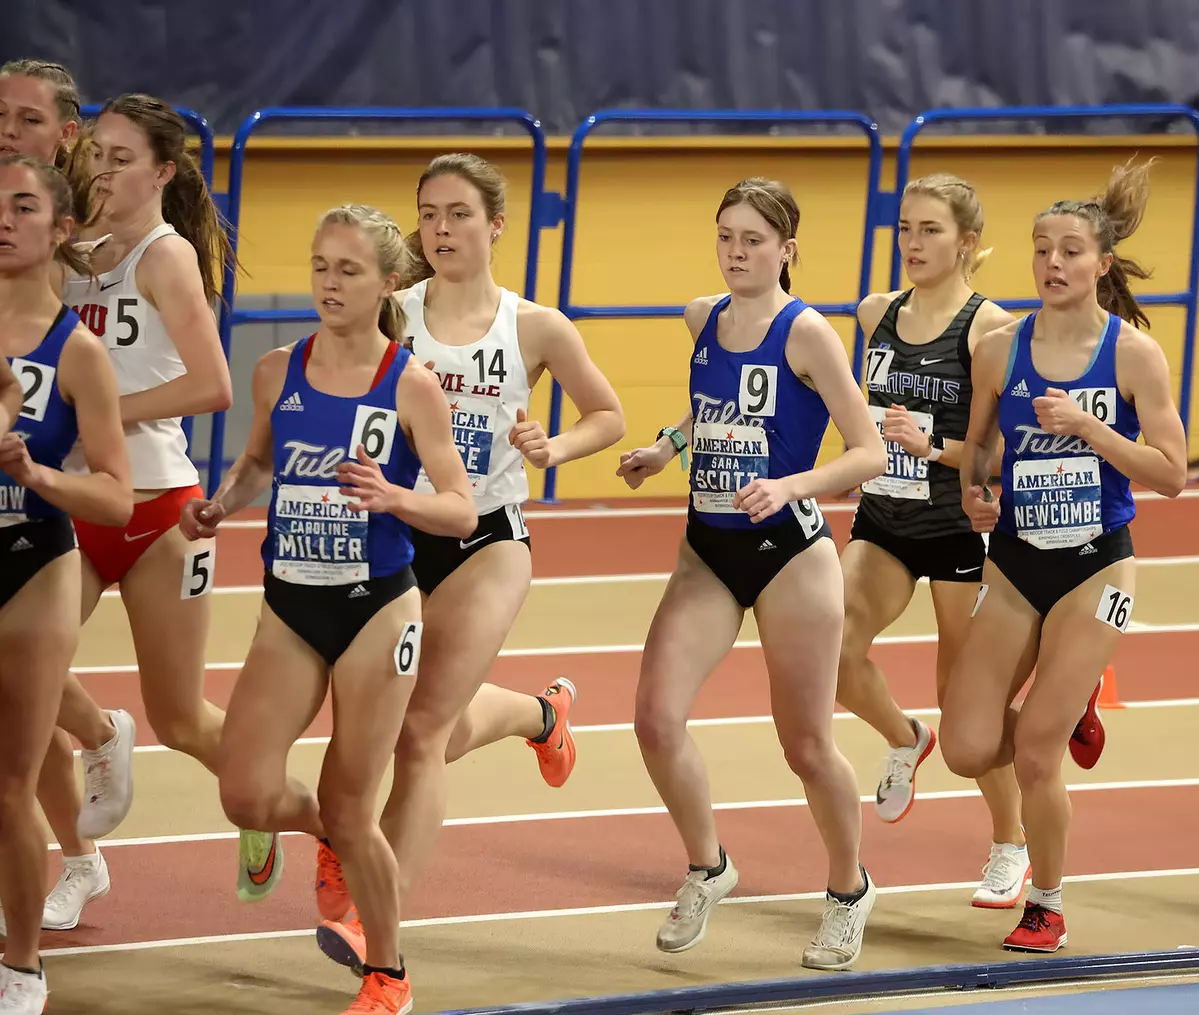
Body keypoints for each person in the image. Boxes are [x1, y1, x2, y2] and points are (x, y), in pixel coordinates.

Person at [311, 153, 625, 966]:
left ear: (496, 224)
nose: (441, 230)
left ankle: (376, 925)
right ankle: (538, 715)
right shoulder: (392, 309)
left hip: (487, 540)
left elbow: (609, 415)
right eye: (428, 214)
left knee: (419, 734)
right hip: (396, 534)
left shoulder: (535, 327)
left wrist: (552, 446)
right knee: (398, 730)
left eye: (458, 214)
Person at [182, 204, 475, 1015]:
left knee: (355, 804)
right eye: (319, 267)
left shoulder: (409, 383)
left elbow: (458, 510)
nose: (329, 283)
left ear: (387, 283)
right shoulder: (279, 370)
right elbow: (256, 464)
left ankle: (388, 973)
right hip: (290, 602)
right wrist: (220, 505)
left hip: (376, 608)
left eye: (348, 270)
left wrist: (396, 496)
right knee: (243, 792)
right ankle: (331, 834)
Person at [616, 177, 885, 969]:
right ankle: (709, 865)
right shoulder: (702, 317)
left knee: (805, 746)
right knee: (655, 720)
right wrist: (667, 445)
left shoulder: (809, 336)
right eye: (726, 236)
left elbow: (867, 451)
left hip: (791, 556)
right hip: (709, 548)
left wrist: (792, 485)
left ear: (786, 250)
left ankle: (848, 890)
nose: (736, 252)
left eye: (753, 241)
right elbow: (715, 405)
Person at [938, 159, 1188, 952]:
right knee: (966, 745)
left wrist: (1093, 429)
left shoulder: (1133, 356)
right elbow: (981, 449)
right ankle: (1069, 701)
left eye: (1071, 250)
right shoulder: (999, 351)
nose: (1052, 263)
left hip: (1096, 564)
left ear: (1102, 264)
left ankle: (1045, 901)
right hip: (1015, 562)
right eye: (1042, 248)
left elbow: (1173, 474)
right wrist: (977, 490)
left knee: (1038, 750)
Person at [54, 94, 259, 912]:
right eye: (96, 152)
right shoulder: (65, 249)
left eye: (122, 157)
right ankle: (99, 747)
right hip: (71, 502)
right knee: (14, 670)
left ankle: (277, 804)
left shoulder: (165, 258)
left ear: (163, 172)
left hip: (155, 510)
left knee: (181, 718)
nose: (102, 169)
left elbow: (212, 385)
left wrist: (99, 409)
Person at [837, 173, 1032, 908]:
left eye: (931, 231)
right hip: (883, 521)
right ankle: (901, 736)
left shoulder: (991, 331)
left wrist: (933, 445)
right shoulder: (875, 313)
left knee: (969, 713)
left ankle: (1010, 843)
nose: (913, 244)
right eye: (906, 229)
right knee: (830, 649)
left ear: (967, 243)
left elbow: (1007, 451)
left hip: (957, 533)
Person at [0, 154, 131, 1015]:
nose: (3, 219)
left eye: (21, 206)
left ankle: (22, 965)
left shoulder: (77, 351)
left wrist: (37, 472)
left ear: (61, 228)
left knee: (9, 781)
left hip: (33, 562)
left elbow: (116, 494)